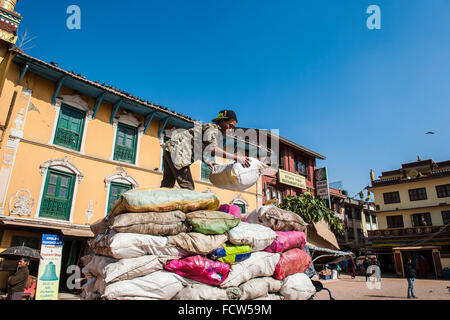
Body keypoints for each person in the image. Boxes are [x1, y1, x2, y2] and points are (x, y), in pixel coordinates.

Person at [161, 110, 250, 190]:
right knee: (188, 188)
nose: (230, 130)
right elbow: (212, 149)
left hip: (170, 149)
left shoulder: (210, 129)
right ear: (222, 121)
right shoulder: (213, 129)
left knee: (167, 185)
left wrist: (207, 161)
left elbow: (199, 148)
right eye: (230, 126)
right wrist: (236, 157)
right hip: (178, 153)